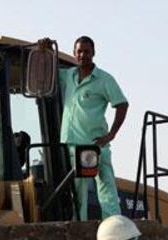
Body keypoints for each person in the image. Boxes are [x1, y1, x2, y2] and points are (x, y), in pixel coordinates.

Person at [41, 35, 128, 220]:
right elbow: (47, 70)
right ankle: (78, 226)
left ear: (93, 53)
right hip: (72, 144)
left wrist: (111, 134)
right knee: (76, 193)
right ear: (74, 53)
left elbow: (122, 104)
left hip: (95, 144)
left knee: (106, 188)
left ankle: (114, 227)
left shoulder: (104, 79)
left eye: (86, 51)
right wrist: (46, 51)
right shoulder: (69, 75)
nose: (83, 55)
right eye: (79, 51)